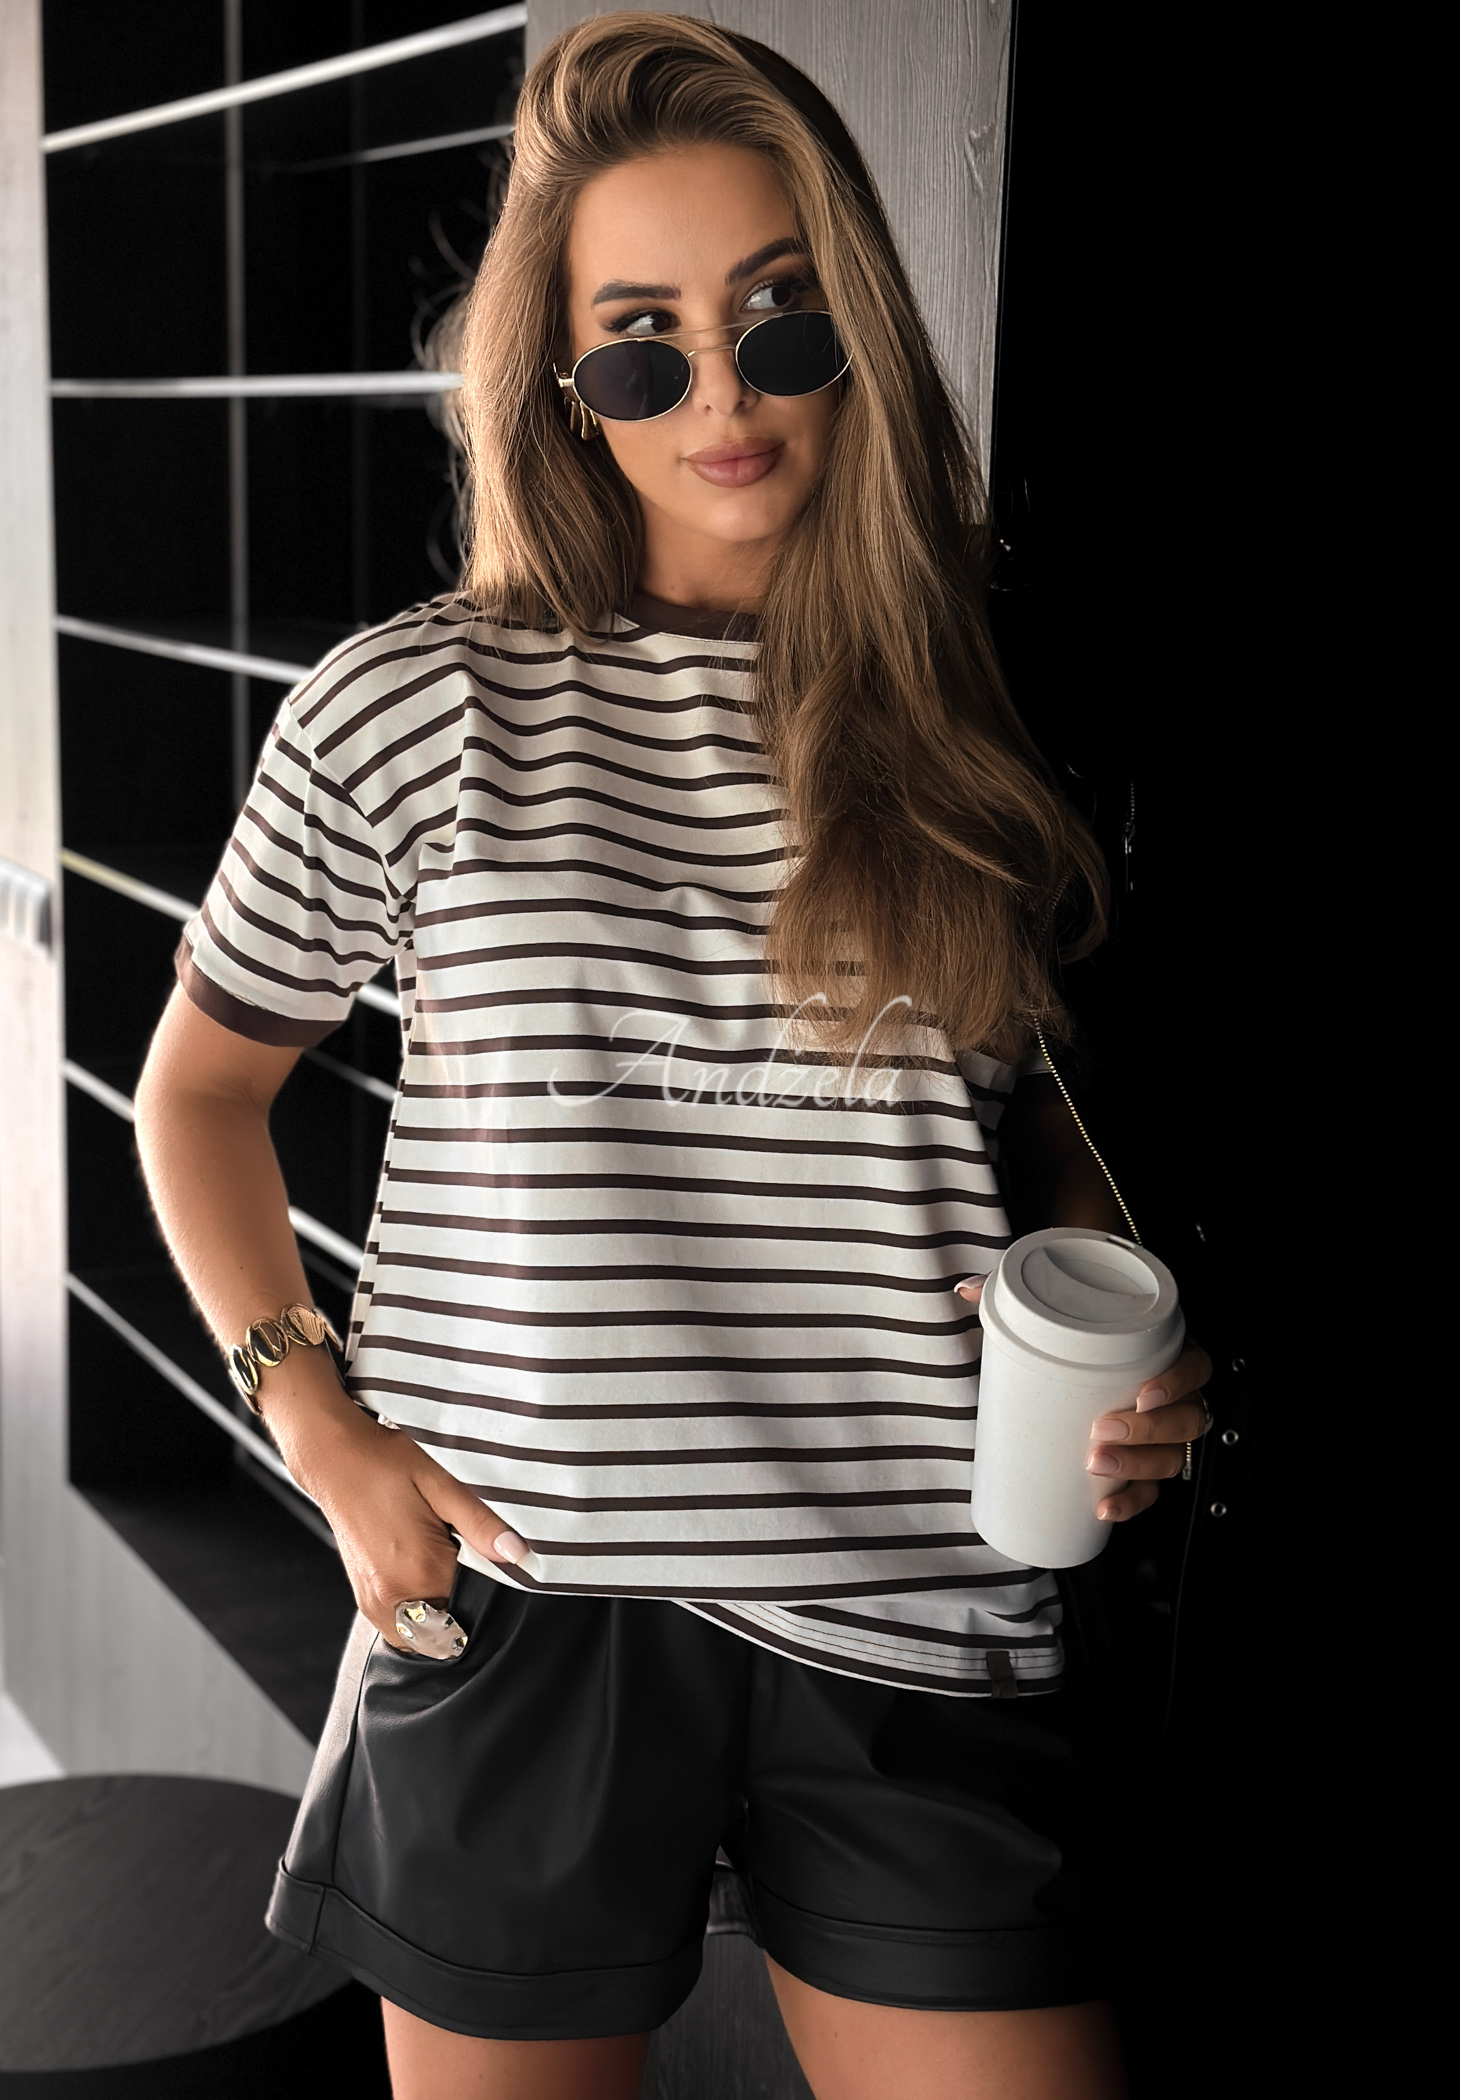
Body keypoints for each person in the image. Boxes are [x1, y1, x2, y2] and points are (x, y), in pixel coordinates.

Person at [134, 18, 1211, 2098]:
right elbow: (200, 1090)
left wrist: (1127, 1341)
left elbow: (1037, 1132)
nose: (720, 396)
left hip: (922, 1595)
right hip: (521, 1591)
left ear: (857, 333)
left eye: (777, 320)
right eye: (641, 346)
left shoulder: (992, 726)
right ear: (559, 381)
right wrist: (319, 1427)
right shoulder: (407, 708)